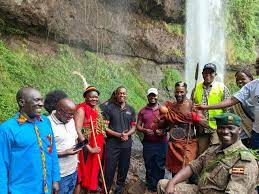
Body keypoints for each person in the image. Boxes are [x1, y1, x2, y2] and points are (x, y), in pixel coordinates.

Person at [157, 113, 259, 194]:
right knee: (163, 185)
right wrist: (172, 182)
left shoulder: (244, 160)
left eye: (230, 128)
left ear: (239, 130)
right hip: (200, 190)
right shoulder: (214, 149)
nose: (225, 131)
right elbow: (193, 166)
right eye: (221, 127)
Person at [0, 87, 60, 194]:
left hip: (46, 188)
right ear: (22, 102)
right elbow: (2, 165)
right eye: (36, 100)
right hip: (21, 190)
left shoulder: (45, 122)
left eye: (41, 100)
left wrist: (55, 178)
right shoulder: (7, 129)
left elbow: (52, 150)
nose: (41, 104)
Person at [195, 78, 259, 150]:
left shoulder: (221, 87)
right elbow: (232, 100)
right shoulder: (253, 85)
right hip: (257, 132)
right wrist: (206, 107)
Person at [160, 82, 200, 177]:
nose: (179, 94)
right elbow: (168, 124)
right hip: (174, 144)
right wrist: (163, 130)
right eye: (177, 92)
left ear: (186, 91)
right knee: (175, 171)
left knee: (188, 169)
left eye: (181, 92)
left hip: (187, 144)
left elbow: (201, 123)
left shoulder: (192, 105)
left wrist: (195, 117)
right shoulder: (171, 106)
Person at [103, 86, 136, 194]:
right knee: (109, 168)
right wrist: (118, 135)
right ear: (116, 95)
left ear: (126, 95)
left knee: (124, 168)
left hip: (126, 145)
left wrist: (127, 134)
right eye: (120, 93)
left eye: (124, 93)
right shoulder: (109, 108)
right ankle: (106, 189)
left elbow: (134, 127)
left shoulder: (131, 110)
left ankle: (119, 189)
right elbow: (105, 128)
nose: (122, 95)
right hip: (112, 144)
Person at [192, 63, 232, 154]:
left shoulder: (222, 88)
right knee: (201, 154)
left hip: (217, 128)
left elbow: (228, 109)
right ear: (202, 74)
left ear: (215, 74)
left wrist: (224, 127)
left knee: (215, 152)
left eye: (211, 73)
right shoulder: (196, 88)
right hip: (201, 128)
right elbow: (192, 107)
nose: (208, 75)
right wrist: (197, 119)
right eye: (206, 72)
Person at [137, 88, 167, 194]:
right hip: (148, 143)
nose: (152, 97)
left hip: (161, 143)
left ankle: (159, 186)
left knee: (159, 165)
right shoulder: (143, 111)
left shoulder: (163, 109)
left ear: (157, 96)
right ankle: (150, 187)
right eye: (150, 95)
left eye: (154, 95)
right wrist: (144, 130)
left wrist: (164, 131)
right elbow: (138, 126)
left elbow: (170, 124)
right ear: (147, 96)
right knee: (148, 164)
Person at [74, 86, 104, 194]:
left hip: (95, 146)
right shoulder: (81, 110)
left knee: (91, 173)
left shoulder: (95, 109)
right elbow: (78, 130)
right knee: (81, 175)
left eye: (96, 97)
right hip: (85, 147)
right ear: (85, 98)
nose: (94, 99)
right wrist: (89, 148)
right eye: (91, 97)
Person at [48, 98, 79, 194]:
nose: (72, 117)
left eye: (73, 114)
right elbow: (43, 152)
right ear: (60, 111)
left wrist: (77, 160)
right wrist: (65, 152)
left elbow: (75, 139)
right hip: (59, 175)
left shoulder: (70, 120)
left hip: (73, 170)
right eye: (69, 114)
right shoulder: (47, 124)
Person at [233, 69, 254, 147]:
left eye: (243, 79)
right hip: (242, 136)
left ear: (251, 79)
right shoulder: (235, 97)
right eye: (237, 80)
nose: (239, 81)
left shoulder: (256, 95)